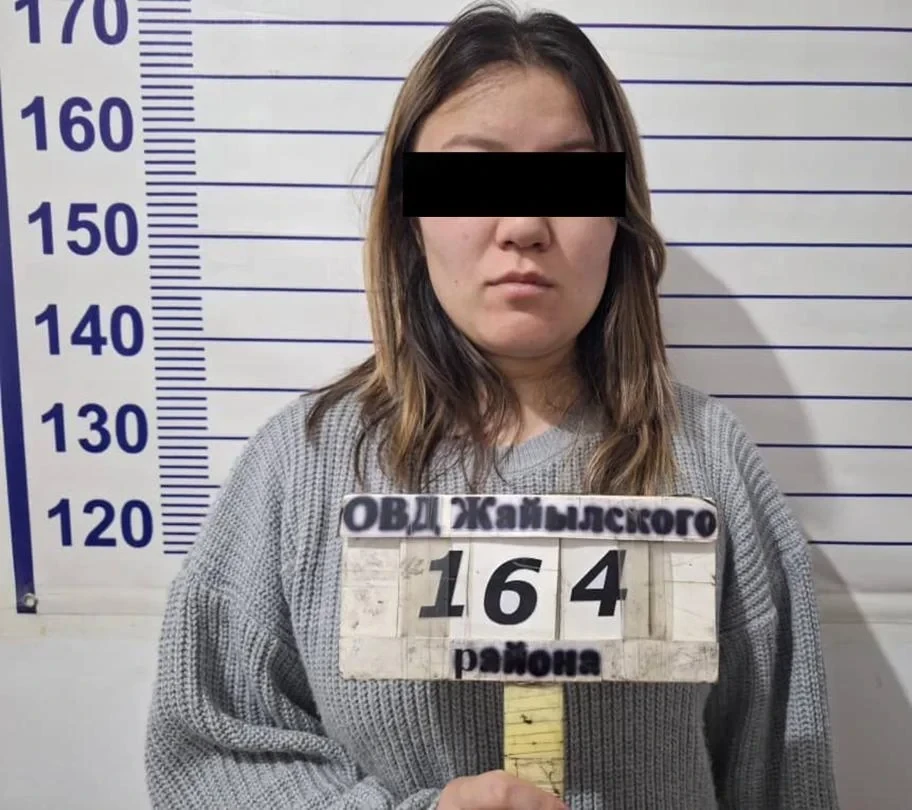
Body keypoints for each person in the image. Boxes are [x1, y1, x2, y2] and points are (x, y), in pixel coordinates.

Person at [143, 2, 840, 808]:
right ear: (410, 216)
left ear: (618, 216)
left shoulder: (708, 458)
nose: (524, 225)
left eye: (569, 181)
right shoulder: (296, 469)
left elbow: (783, 771)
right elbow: (209, 760)